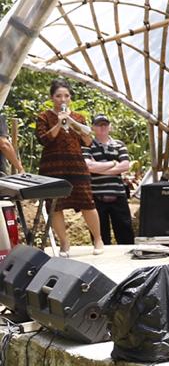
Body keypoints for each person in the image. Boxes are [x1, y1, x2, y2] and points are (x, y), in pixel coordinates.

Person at [35, 79, 103, 255]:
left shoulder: (79, 117)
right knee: (55, 205)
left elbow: (88, 142)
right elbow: (44, 140)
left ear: (70, 98)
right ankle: (64, 243)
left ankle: (98, 240)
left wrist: (74, 124)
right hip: (52, 167)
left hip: (76, 166)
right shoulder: (44, 117)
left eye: (66, 95)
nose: (62, 99)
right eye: (58, 96)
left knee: (87, 202)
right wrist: (59, 123)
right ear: (52, 97)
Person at [83, 115, 135, 245]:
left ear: (110, 127)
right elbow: (88, 166)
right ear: (93, 127)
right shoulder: (87, 145)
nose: (102, 127)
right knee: (100, 234)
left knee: (125, 233)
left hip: (118, 194)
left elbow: (125, 166)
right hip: (97, 195)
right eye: (99, 125)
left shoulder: (119, 145)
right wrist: (113, 163)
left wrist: (99, 168)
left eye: (105, 124)